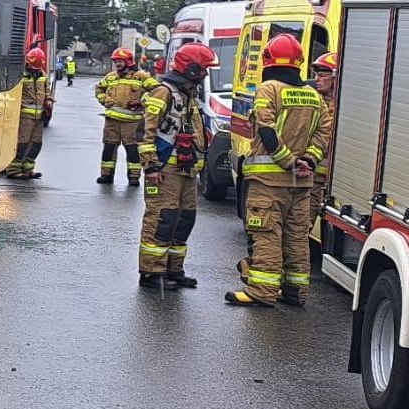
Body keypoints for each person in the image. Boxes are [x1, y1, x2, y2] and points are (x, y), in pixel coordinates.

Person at [226, 34, 333, 308]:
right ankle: (295, 291)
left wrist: (287, 161)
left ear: (268, 60)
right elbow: (323, 134)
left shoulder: (269, 89)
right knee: (297, 237)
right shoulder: (313, 95)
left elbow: (265, 128)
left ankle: (261, 291)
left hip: (268, 181)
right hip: (301, 184)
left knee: (267, 234)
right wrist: (308, 161)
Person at [136, 42, 216, 290]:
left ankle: (174, 269)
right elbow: (145, 131)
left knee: (184, 219)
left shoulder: (187, 94)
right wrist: (151, 168)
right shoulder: (164, 92)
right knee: (162, 218)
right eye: (203, 69)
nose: (205, 74)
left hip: (186, 170)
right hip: (165, 170)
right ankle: (151, 272)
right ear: (191, 69)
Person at [94, 48, 156, 186]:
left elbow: (157, 91)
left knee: (132, 150)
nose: (118, 64)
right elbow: (99, 89)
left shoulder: (141, 77)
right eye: (116, 62)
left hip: (132, 122)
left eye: (120, 61)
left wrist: (141, 102)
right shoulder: (111, 77)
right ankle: (106, 175)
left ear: (128, 61)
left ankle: (134, 177)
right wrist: (104, 100)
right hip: (111, 121)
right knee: (109, 148)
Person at [6, 48, 48, 179]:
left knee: (36, 144)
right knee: (22, 143)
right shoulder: (20, 76)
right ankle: (13, 170)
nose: (35, 69)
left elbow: (47, 91)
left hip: (39, 116)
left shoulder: (42, 75)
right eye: (33, 67)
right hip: (25, 116)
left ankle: (28, 168)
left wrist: (50, 101)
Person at [308, 51, 338, 229]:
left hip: (337, 181)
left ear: (336, 77)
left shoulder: (345, 106)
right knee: (302, 227)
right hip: (315, 179)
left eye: (322, 75)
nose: (317, 79)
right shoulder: (315, 102)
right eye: (316, 75)